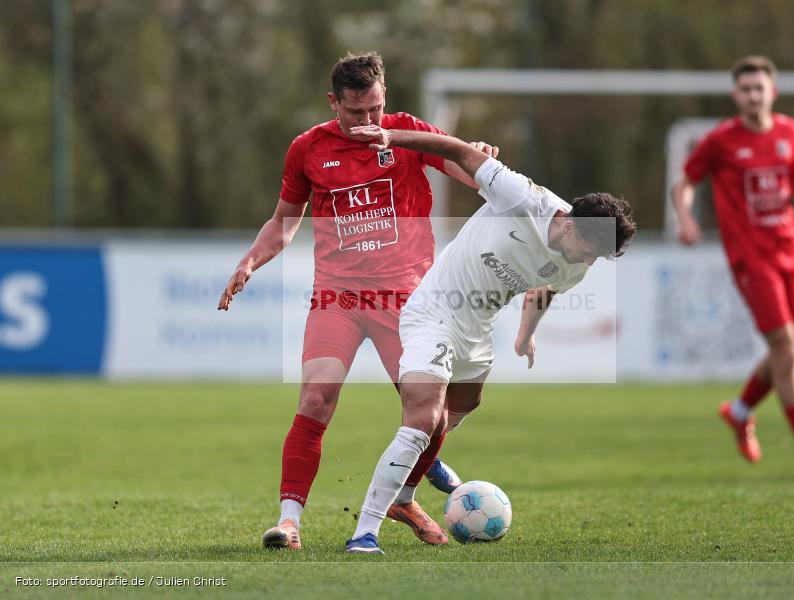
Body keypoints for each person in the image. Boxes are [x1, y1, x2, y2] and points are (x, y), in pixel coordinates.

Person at [217, 52, 499, 550]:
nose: (368, 123)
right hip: (338, 297)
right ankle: (289, 522)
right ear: (334, 103)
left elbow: (468, 173)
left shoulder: (407, 132)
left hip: (407, 301)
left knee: (429, 413)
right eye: (356, 112)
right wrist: (249, 262)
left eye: (375, 109)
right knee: (315, 399)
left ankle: (405, 495)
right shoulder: (307, 148)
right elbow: (283, 222)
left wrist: (479, 158)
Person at [342, 123, 637, 554]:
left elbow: (543, 288)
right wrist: (392, 137)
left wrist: (525, 336)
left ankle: (422, 463)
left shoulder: (578, 263)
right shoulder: (521, 197)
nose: (591, 262)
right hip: (435, 312)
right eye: (591, 251)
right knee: (423, 419)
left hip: (477, 328)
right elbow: (456, 150)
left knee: (462, 407)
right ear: (571, 226)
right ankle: (365, 532)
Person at [670, 55, 794, 483]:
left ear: (773, 91)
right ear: (736, 95)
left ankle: (740, 410)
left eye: (759, 88)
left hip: (789, 249)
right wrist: (687, 217)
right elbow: (686, 183)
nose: (753, 95)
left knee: (783, 351)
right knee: (786, 346)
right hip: (751, 258)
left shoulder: (789, 130)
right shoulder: (721, 140)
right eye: (745, 89)